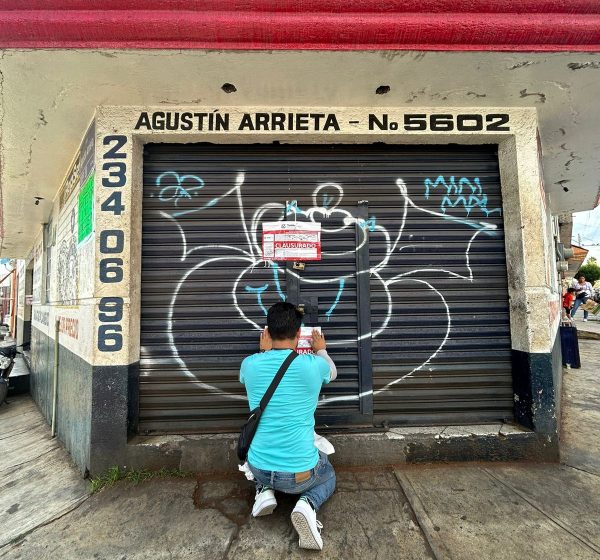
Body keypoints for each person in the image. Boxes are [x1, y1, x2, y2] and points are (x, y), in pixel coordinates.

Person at [239, 302, 337, 551]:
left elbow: (252, 378)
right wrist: (322, 350)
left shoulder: (249, 364)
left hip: (258, 468)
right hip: (299, 476)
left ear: (268, 334)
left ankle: (263, 491)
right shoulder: (313, 366)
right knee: (328, 475)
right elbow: (332, 373)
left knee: (256, 444)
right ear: (298, 335)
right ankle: (308, 504)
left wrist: (263, 354)